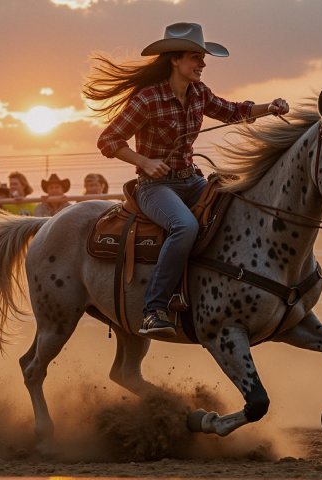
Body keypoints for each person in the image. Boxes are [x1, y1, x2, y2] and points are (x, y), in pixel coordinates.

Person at [84, 22, 289, 337]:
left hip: (191, 181)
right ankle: (154, 309)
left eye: (202, 58)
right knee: (185, 226)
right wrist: (144, 162)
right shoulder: (148, 99)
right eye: (195, 57)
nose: (202, 64)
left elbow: (234, 111)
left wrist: (269, 108)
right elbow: (108, 141)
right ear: (175, 60)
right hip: (155, 188)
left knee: (232, 210)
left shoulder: (199, 94)